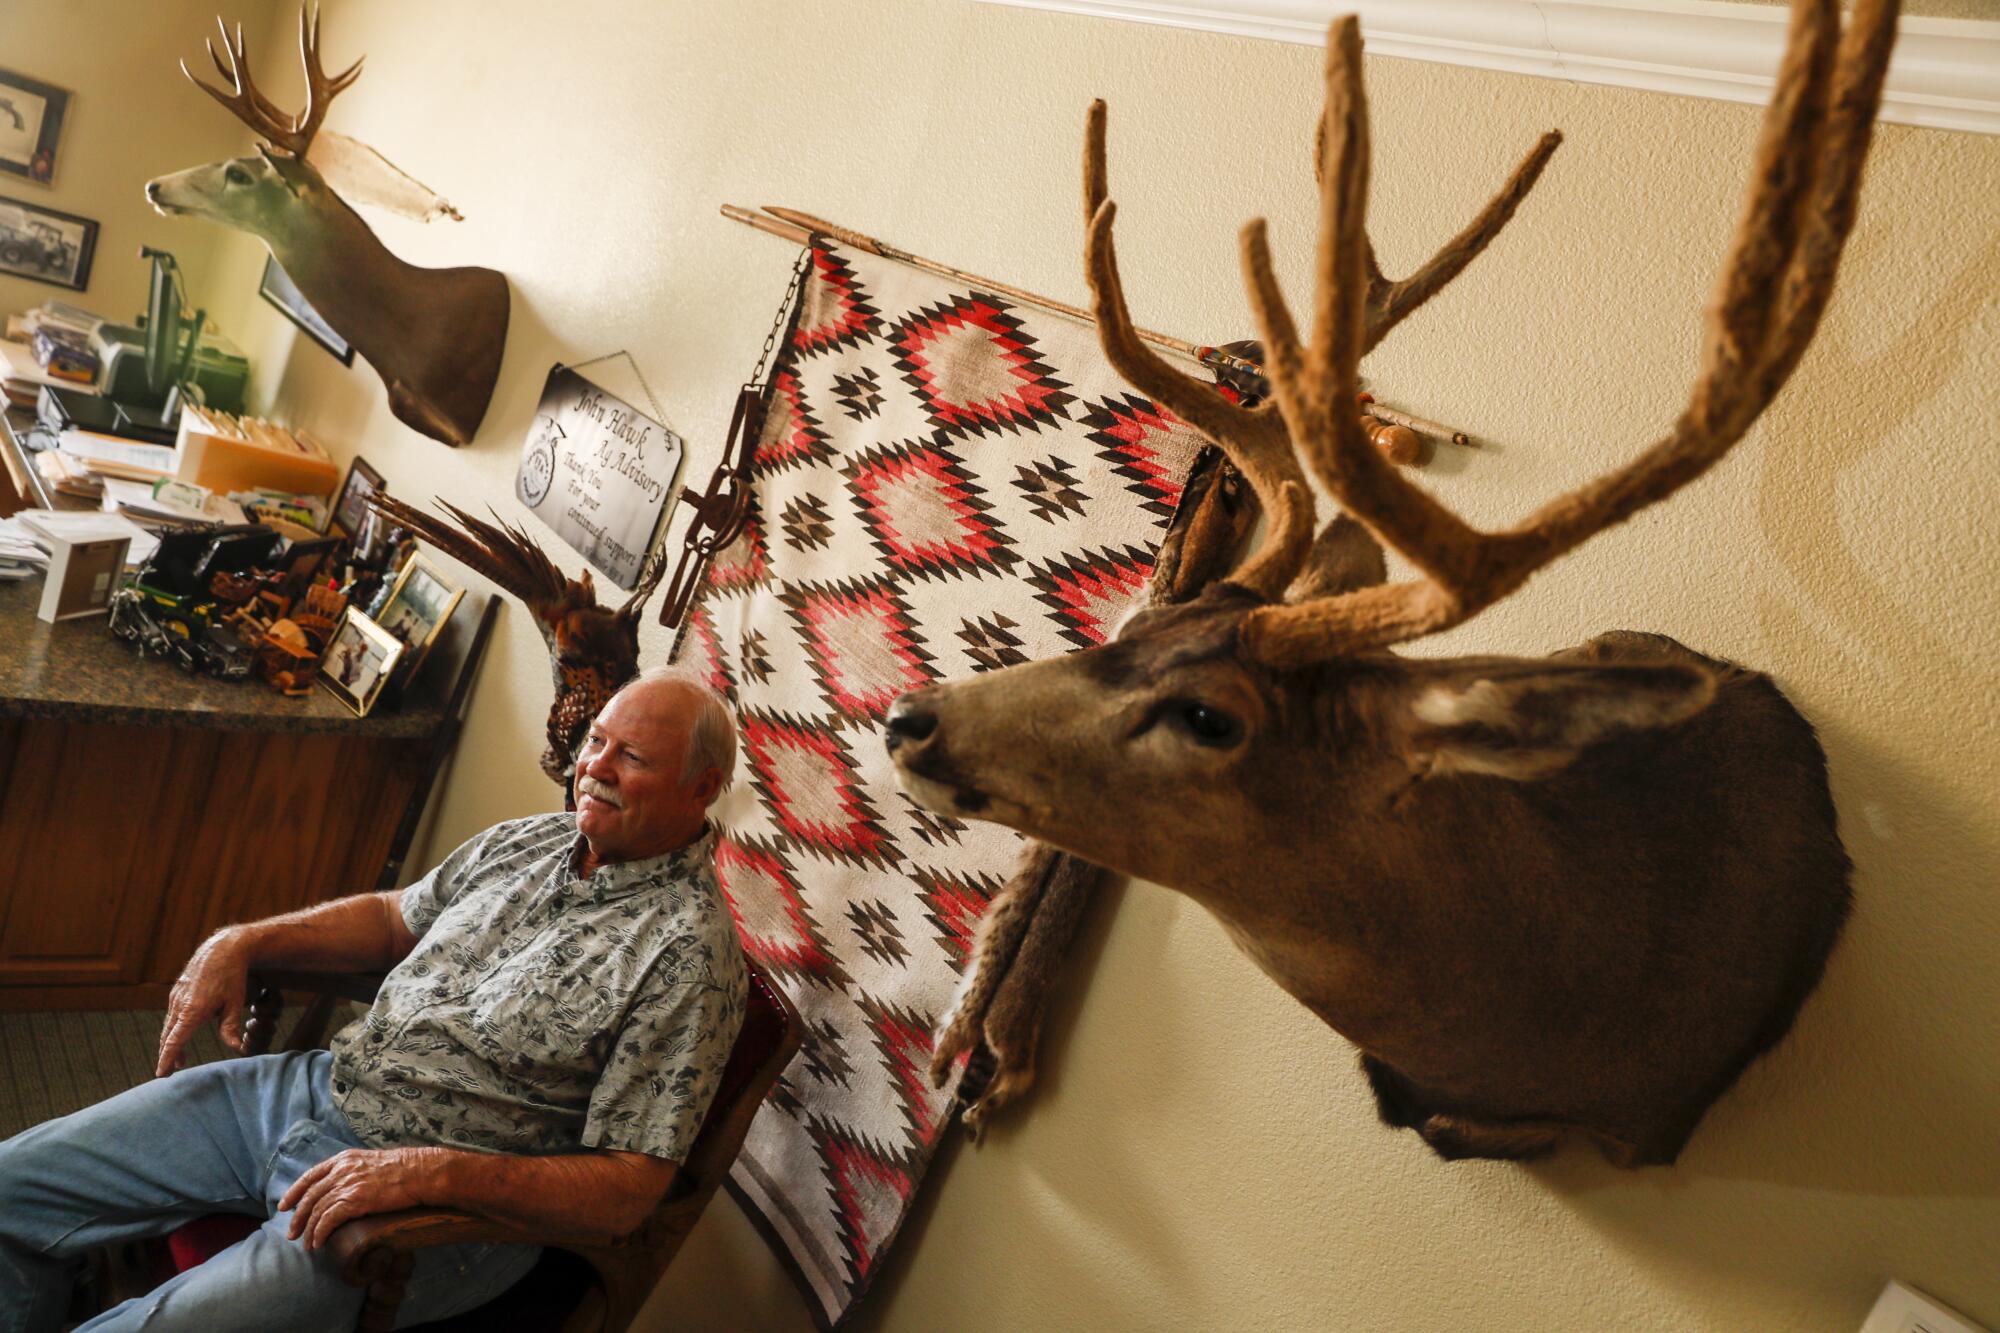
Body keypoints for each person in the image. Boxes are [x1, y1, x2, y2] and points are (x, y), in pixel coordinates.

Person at [0, 669, 748, 1332]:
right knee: (9, 1190)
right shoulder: (532, 839)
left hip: (427, 1216)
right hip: (307, 1094)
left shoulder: (688, 955)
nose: (594, 768)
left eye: (632, 757)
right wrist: (244, 940)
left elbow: (627, 1189)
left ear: (703, 787)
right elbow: (397, 917)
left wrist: (429, 1171)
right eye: (596, 740)